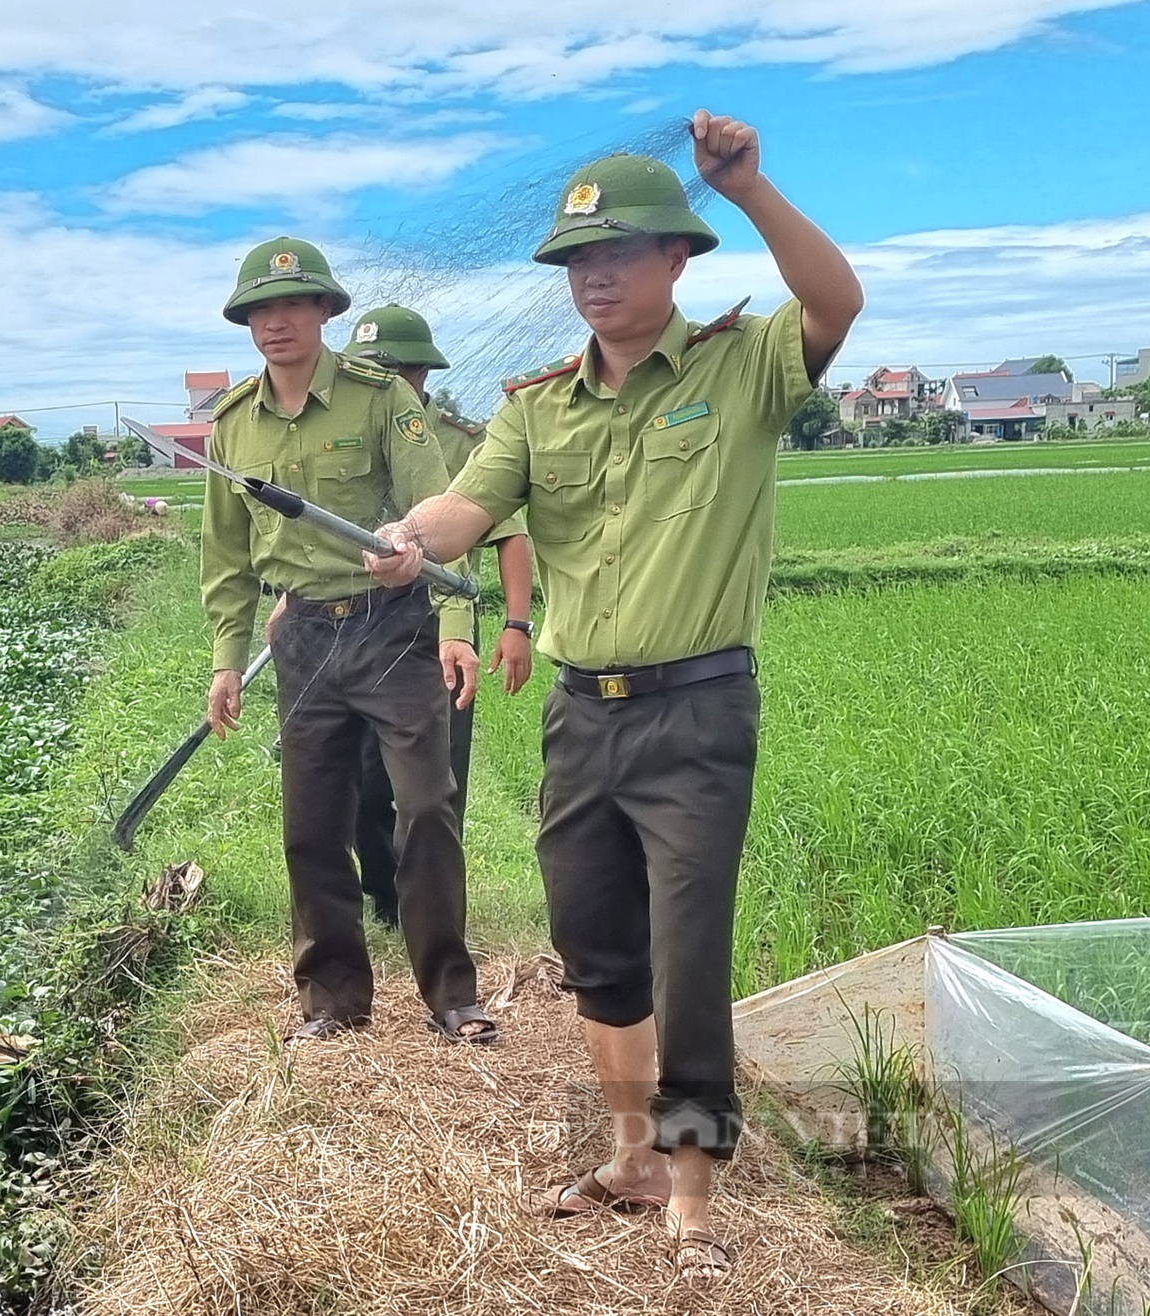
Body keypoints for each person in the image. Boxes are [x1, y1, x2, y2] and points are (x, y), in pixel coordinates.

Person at [363, 113, 863, 1279]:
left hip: (696, 710)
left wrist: (750, 186)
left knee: (685, 945)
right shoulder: (536, 405)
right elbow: (467, 510)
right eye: (577, 260)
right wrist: (405, 536)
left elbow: (836, 303)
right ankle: (630, 1153)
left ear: (677, 258)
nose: (593, 275)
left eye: (619, 253)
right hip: (579, 711)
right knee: (595, 941)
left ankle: (691, 1184)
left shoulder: (742, 368)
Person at [202, 236, 499, 1045]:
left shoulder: (379, 398)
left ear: (325, 311)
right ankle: (332, 1001)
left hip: (390, 626)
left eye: (294, 304)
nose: (277, 321)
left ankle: (451, 994)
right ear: (246, 322)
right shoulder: (231, 427)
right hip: (301, 636)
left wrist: (454, 622)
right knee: (311, 823)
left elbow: (441, 514)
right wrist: (228, 661)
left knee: (428, 804)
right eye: (261, 308)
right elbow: (226, 557)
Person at [341, 304, 536, 927]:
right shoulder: (341, 438)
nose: (386, 380)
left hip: (436, 623)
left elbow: (507, 534)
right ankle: (383, 890)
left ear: (424, 376)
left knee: (435, 779)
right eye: (373, 369)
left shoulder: (458, 444)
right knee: (364, 776)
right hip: (356, 621)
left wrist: (514, 622)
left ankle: (429, 904)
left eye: (398, 369)